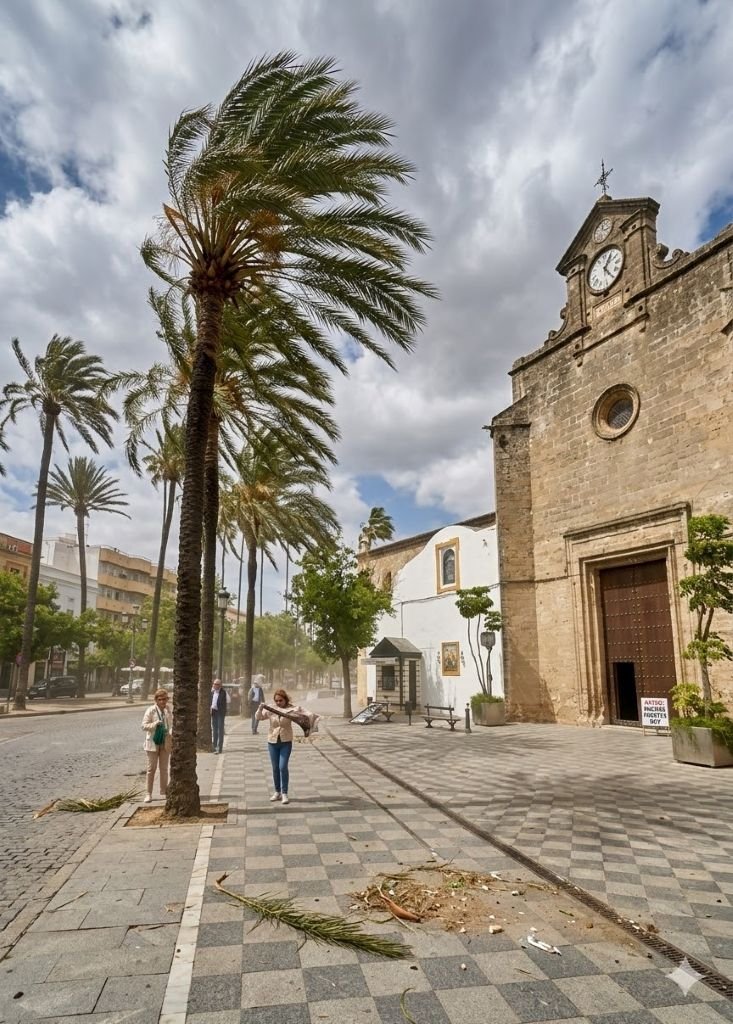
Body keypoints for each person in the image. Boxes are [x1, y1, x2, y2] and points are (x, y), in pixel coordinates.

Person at [256, 688, 316, 805]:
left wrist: (312, 718)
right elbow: (259, 717)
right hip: (272, 741)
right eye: (276, 701)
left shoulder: (292, 709)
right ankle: (277, 792)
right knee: (275, 768)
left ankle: (284, 793)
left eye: (280, 700)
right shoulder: (271, 709)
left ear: (285, 700)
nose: (278, 703)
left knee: (282, 767)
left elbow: (306, 713)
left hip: (286, 741)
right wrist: (260, 708)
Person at [141, 688, 172, 803]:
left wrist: (170, 732)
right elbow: (143, 726)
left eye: (165, 699)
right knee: (151, 769)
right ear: (156, 700)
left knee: (164, 769)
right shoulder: (151, 710)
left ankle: (163, 791)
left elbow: (171, 725)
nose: (163, 702)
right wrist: (155, 724)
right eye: (160, 699)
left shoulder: (168, 710)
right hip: (152, 743)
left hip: (165, 742)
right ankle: (148, 794)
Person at [210, 678, 227, 753]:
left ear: (220, 685)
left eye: (216, 684)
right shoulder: (212, 692)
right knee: (215, 730)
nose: (214, 685)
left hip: (220, 713)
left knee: (220, 730)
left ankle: (219, 748)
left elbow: (222, 702)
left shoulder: (223, 692)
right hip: (214, 713)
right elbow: (211, 702)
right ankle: (214, 746)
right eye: (214, 684)